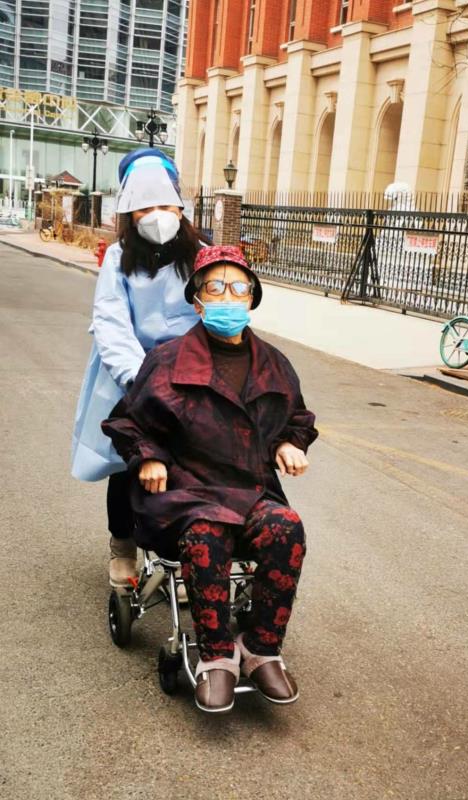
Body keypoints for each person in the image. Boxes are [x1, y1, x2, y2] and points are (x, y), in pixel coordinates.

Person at [102, 245, 318, 714]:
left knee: (286, 528)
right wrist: (148, 458)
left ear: (252, 298)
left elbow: (297, 418)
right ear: (198, 302)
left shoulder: (274, 363)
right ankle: (216, 656)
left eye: (238, 287)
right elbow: (127, 422)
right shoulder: (168, 360)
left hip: (249, 490)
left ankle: (261, 648)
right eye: (215, 287)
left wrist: (290, 442)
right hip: (185, 494)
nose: (228, 296)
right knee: (207, 532)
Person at [71, 148, 206, 587]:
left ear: (180, 206)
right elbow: (112, 322)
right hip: (129, 375)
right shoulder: (118, 257)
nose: (157, 216)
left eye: (165, 204)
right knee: (126, 463)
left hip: (190, 377)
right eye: (145, 207)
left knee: (189, 465)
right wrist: (142, 381)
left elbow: (216, 311)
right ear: (130, 211)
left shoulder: (202, 255)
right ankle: (123, 545)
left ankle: (181, 550)